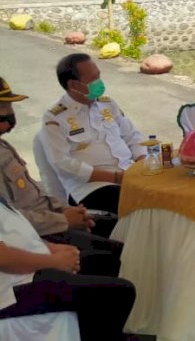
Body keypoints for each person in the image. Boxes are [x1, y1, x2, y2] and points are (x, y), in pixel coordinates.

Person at [0, 77, 124, 277]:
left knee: (118, 226)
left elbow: (36, 193)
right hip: (37, 235)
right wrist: (63, 220)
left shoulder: (3, 147)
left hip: (52, 219)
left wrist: (66, 209)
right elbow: (11, 222)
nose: (7, 114)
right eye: (1, 107)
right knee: (114, 256)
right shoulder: (56, 119)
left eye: (8, 105)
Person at [0, 196, 135, 340]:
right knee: (120, 293)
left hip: (30, 269)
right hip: (12, 291)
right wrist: (55, 262)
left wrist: (52, 248)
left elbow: (16, 235)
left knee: (107, 262)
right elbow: (4, 258)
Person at [40, 54, 146, 215]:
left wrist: (142, 162)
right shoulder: (55, 118)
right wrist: (116, 178)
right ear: (74, 84)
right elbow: (62, 163)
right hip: (91, 188)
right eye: (93, 78)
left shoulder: (107, 104)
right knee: (147, 205)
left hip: (129, 175)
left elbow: (132, 136)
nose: (99, 82)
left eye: (99, 76)